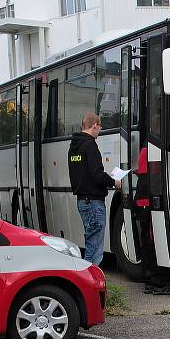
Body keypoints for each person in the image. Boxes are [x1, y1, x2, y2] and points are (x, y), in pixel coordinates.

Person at [68, 112, 121, 266]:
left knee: (91, 241)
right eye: (100, 126)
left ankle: (88, 280)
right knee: (94, 249)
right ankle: (88, 282)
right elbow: (97, 174)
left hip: (82, 202)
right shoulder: (90, 145)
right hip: (93, 202)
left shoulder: (73, 147)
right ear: (95, 125)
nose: (100, 130)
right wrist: (113, 182)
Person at [133, 147, 170, 295]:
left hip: (141, 201)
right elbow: (155, 172)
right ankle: (157, 283)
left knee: (146, 241)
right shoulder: (151, 151)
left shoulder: (143, 151)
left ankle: (149, 281)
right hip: (147, 201)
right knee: (151, 242)